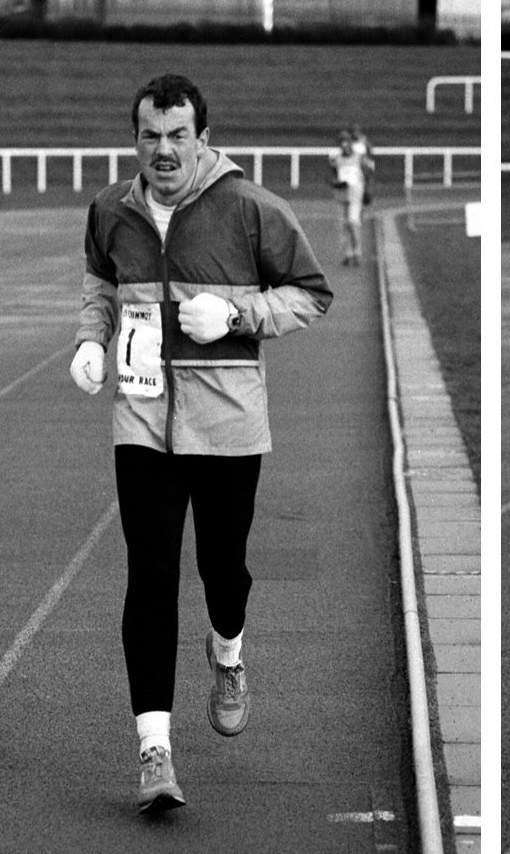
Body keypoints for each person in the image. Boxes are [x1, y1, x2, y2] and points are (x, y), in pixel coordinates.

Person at [68, 74, 333, 814]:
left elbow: (311, 292)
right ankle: (155, 752)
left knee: (224, 570)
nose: (163, 149)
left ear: (203, 138)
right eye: (150, 135)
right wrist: (92, 342)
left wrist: (240, 313)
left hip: (228, 424)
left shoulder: (252, 209)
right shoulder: (109, 212)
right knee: (149, 577)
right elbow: (99, 285)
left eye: (177, 134)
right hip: (143, 421)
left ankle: (229, 653)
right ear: (135, 140)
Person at [327, 129, 372, 265]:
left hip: (355, 195)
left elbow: (368, 175)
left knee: (353, 222)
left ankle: (357, 252)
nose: (344, 145)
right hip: (341, 195)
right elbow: (331, 176)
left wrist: (367, 192)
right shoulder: (336, 159)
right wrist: (335, 183)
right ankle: (347, 254)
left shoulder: (360, 158)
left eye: (347, 142)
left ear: (351, 143)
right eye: (342, 143)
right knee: (343, 225)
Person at [349, 122, 375, 206]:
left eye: (357, 131)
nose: (355, 133)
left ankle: (366, 203)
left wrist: (370, 166)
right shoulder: (349, 142)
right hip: (353, 168)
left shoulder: (364, 141)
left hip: (363, 167)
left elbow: (369, 153)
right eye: (354, 131)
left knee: (366, 189)